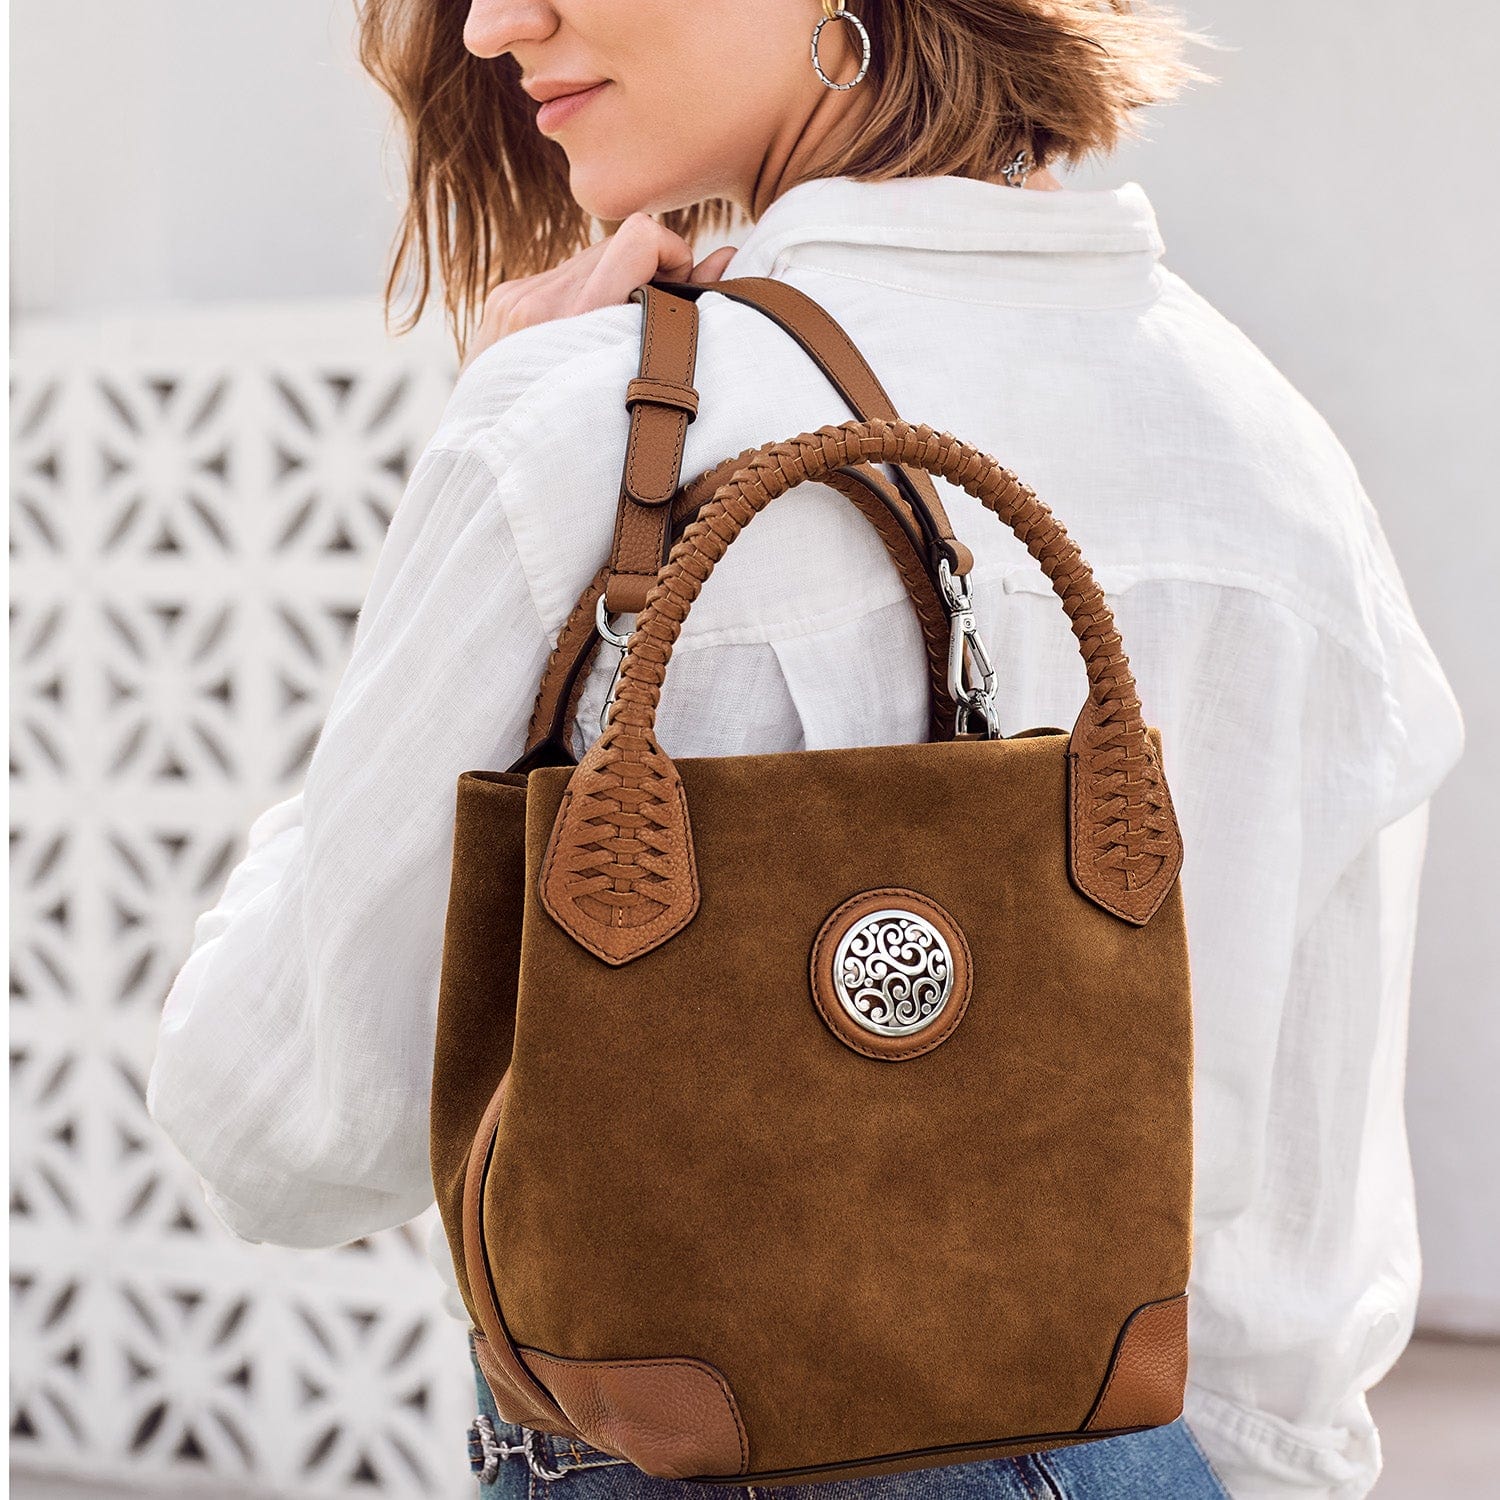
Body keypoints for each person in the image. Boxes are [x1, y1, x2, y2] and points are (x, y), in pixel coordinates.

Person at [146, 2, 1464, 1497]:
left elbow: (278, 1125)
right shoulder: (1275, 457)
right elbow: (1293, 1326)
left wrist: (468, 495)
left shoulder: (594, 427)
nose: (497, 24)